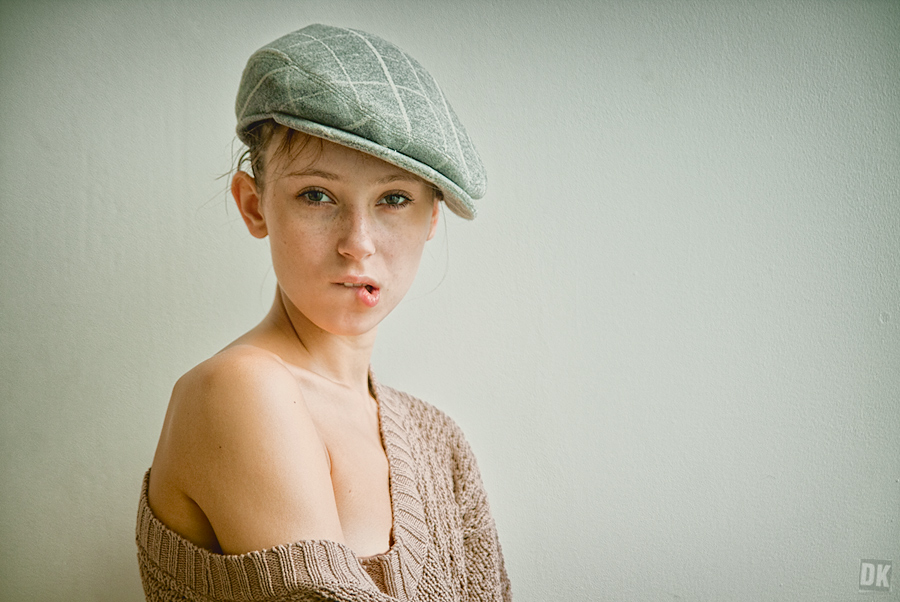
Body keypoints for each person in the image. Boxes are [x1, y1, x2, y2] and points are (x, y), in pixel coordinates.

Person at [135, 23, 511, 602]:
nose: (358, 242)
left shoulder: (440, 442)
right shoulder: (237, 390)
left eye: (394, 199)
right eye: (317, 195)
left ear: (432, 217)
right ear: (254, 205)